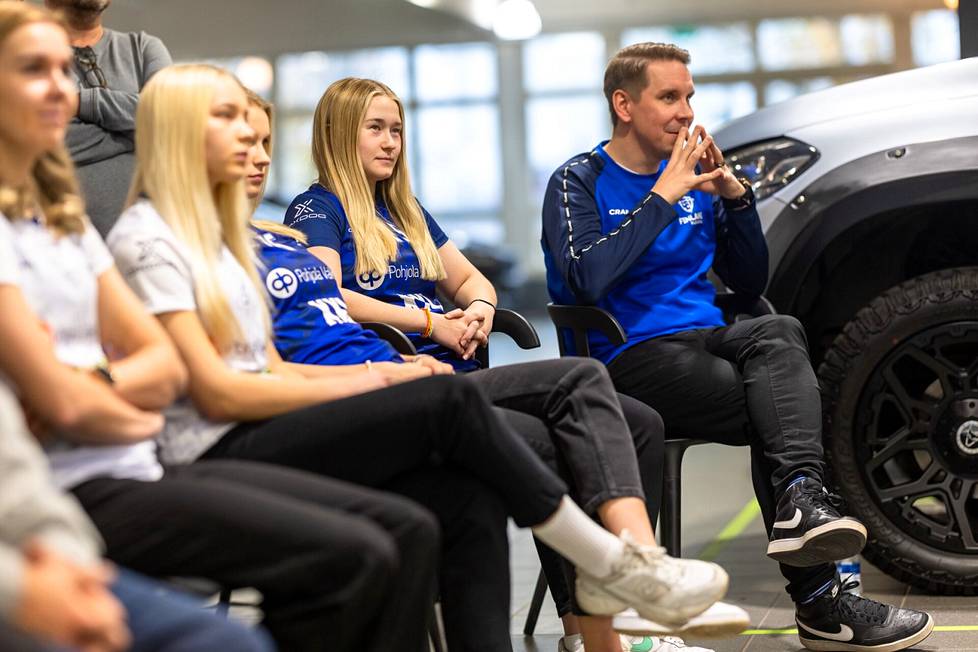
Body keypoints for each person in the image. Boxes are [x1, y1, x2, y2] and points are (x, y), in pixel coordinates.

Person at [107, 63, 731, 652]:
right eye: (233, 123)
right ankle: (613, 571)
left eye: (263, 135)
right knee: (497, 401)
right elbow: (227, 388)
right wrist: (392, 364)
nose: (257, 147)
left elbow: (267, 362)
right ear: (180, 134)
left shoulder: (241, 240)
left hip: (365, 382)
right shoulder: (207, 231)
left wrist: (466, 317)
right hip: (237, 437)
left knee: (486, 487)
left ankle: (617, 600)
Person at [0, 5, 442, 651]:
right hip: (100, 480)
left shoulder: (64, 224)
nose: (62, 89)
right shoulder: (138, 234)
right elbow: (116, 397)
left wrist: (87, 388)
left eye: (65, 70)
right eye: (33, 69)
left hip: (133, 458)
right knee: (348, 555)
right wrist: (100, 397)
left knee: (408, 522)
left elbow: (155, 375)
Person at [273, 79, 744, 652]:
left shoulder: (404, 210)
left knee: (636, 419)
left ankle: (605, 624)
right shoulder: (318, 208)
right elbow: (328, 294)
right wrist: (429, 324)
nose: (391, 142)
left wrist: (476, 308)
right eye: (375, 128)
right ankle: (622, 599)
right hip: (407, 383)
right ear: (338, 133)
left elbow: (474, 280)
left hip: (461, 376)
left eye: (396, 129)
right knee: (576, 390)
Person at [540, 42, 934, 652]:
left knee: (780, 334)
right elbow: (585, 277)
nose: (684, 111)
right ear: (623, 104)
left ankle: (802, 504)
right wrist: (662, 197)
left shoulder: (698, 178)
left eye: (689, 96)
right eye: (668, 96)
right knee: (779, 402)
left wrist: (737, 200)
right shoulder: (579, 180)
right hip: (626, 357)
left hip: (708, 341)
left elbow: (749, 282)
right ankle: (823, 603)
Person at [0, 384, 274, 652]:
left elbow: (20, 482)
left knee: (226, 641)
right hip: (93, 484)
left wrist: (75, 572)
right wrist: (19, 590)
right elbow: (72, 408)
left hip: (63, 542)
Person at [44, 0, 170, 236]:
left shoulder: (144, 48)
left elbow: (169, 119)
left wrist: (79, 102)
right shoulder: (30, 59)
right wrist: (138, 131)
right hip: (61, 241)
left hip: (152, 242)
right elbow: (41, 146)